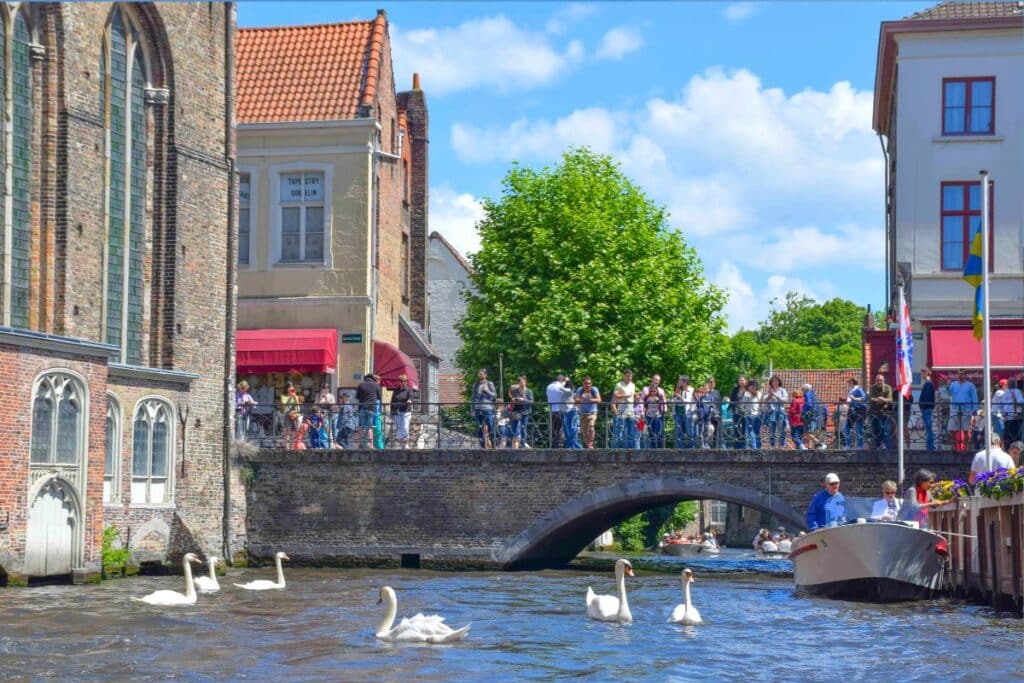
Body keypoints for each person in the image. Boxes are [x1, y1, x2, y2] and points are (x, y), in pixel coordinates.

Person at [948, 369, 979, 452]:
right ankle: (954, 446)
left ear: (965, 375)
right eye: (959, 374)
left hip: (966, 409)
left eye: (962, 374)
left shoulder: (970, 385)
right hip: (954, 409)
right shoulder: (953, 384)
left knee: (966, 430)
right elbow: (948, 394)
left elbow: (974, 398)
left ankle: (965, 447)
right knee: (951, 429)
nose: (960, 376)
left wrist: (975, 410)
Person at [471, 369, 497, 448]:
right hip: (478, 408)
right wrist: (472, 409)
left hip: (488, 408)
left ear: (485, 375)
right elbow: (472, 397)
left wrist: (487, 390)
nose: (479, 375)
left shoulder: (489, 383)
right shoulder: (476, 384)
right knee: (479, 427)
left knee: (490, 426)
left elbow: (495, 395)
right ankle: (482, 446)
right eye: (479, 374)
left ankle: (492, 444)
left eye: (481, 374)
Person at [355, 373, 382, 448]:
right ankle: (370, 444)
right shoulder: (376, 385)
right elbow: (379, 397)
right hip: (372, 408)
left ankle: (361, 443)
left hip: (362, 407)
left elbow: (357, 397)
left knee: (361, 426)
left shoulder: (361, 385)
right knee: (369, 427)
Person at [611, 369, 636, 449]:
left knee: (630, 433)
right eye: (628, 376)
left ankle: (629, 451)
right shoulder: (619, 385)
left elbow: (632, 397)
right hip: (622, 411)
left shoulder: (633, 385)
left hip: (631, 411)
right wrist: (626, 396)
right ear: (624, 376)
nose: (629, 378)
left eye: (631, 376)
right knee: (619, 433)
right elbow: (616, 396)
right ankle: (615, 450)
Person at [867, 373, 893, 450]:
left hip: (885, 412)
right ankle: (877, 446)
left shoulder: (888, 388)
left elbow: (890, 399)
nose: (879, 382)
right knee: (875, 430)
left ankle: (887, 447)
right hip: (874, 412)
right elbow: (870, 398)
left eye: (880, 380)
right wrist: (879, 399)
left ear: (883, 381)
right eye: (877, 380)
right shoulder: (872, 387)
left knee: (885, 430)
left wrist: (884, 399)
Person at [763, 375, 789, 449]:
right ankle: (772, 446)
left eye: (776, 381)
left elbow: (785, 400)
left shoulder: (782, 390)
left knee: (781, 429)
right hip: (771, 412)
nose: (775, 382)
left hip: (780, 411)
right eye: (773, 381)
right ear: (771, 382)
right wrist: (769, 395)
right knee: (771, 429)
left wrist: (775, 395)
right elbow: (764, 400)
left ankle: (782, 445)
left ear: (779, 382)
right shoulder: (769, 390)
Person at [575, 376, 601, 449]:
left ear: (591, 383)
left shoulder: (594, 389)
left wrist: (591, 399)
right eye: (586, 383)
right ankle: (587, 444)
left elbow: (599, 400)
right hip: (582, 412)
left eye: (589, 383)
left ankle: (590, 444)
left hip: (592, 412)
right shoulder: (580, 390)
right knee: (584, 430)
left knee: (591, 427)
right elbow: (576, 400)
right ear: (583, 384)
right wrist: (582, 398)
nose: (587, 385)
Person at [641, 375, 667, 448]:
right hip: (649, 414)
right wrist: (642, 412)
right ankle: (653, 449)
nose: (657, 381)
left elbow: (664, 400)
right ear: (652, 380)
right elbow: (641, 401)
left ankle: (660, 449)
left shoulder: (661, 390)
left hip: (659, 414)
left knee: (659, 432)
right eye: (656, 379)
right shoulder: (645, 389)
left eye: (658, 380)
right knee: (651, 432)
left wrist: (664, 410)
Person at [508, 375, 534, 449]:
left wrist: (523, 400)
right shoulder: (515, 391)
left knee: (523, 428)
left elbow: (531, 401)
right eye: (520, 382)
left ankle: (523, 444)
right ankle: (518, 443)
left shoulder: (529, 391)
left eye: (523, 382)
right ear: (518, 383)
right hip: (516, 412)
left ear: (525, 382)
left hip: (525, 412)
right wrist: (514, 400)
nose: (522, 384)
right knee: (515, 428)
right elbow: (512, 397)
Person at [390, 374, 415, 449]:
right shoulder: (396, 390)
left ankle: (406, 444)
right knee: (399, 428)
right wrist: (391, 411)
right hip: (397, 411)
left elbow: (411, 397)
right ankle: (402, 445)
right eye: (401, 381)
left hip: (406, 411)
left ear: (406, 382)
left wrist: (409, 400)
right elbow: (392, 400)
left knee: (405, 427)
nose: (403, 382)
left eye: (404, 381)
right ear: (399, 382)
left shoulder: (408, 389)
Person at [673, 375, 697, 448]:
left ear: (685, 381)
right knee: (679, 431)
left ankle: (691, 447)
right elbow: (673, 401)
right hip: (678, 412)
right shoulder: (678, 389)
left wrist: (682, 398)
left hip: (687, 413)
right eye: (679, 381)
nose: (679, 382)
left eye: (680, 381)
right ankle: (680, 448)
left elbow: (692, 401)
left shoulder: (691, 390)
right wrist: (675, 397)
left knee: (689, 431)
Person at [698, 376, 721, 448]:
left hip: (715, 414)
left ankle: (716, 447)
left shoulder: (717, 392)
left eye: (713, 382)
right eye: (710, 382)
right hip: (707, 414)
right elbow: (699, 404)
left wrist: (719, 414)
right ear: (708, 383)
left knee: (716, 431)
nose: (712, 383)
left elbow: (719, 404)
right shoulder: (703, 394)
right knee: (707, 430)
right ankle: (706, 445)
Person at [844, 377, 867, 449]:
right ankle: (848, 445)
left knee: (859, 429)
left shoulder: (859, 389)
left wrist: (854, 398)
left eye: (849, 382)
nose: (848, 383)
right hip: (851, 411)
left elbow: (863, 398)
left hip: (859, 411)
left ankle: (859, 445)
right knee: (846, 428)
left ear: (852, 382)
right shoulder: (851, 390)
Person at [546, 373, 566, 448]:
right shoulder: (560, 386)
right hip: (559, 410)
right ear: (562, 380)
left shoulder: (549, 386)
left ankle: (553, 446)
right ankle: (559, 447)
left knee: (553, 430)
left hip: (551, 410)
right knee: (560, 429)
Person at [919, 368, 936, 451]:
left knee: (928, 428)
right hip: (926, 408)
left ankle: (930, 447)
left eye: (922, 373)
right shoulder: (928, 383)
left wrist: (922, 405)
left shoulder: (928, 384)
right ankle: (930, 446)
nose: (921, 375)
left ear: (926, 373)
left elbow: (927, 397)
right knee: (928, 427)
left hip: (926, 408)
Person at [742, 379, 763, 450]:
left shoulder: (757, 393)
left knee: (752, 431)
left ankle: (755, 447)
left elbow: (743, 404)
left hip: (753, 415)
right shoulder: (747, 393)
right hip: (753, 415)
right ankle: (757, 446)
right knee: (754, 431)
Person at [561, 378, 581, 449]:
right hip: (567, 412)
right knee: (568, 432)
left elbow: (560, 388)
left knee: (570, 432)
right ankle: (569, 447)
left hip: (570, 412)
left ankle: (579, 448)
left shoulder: (568, 390)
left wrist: (564, 381)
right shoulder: (568, 391)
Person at [1002, 379, 1024, 444]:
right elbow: (1021, 401)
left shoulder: (1005, 392)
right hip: (1015, 417)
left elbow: (1002, 403)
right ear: (1015, 384)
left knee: (1008, 436)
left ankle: (1008, 448)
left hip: (1007, 417)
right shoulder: (1017, 391)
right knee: (1017, 436)